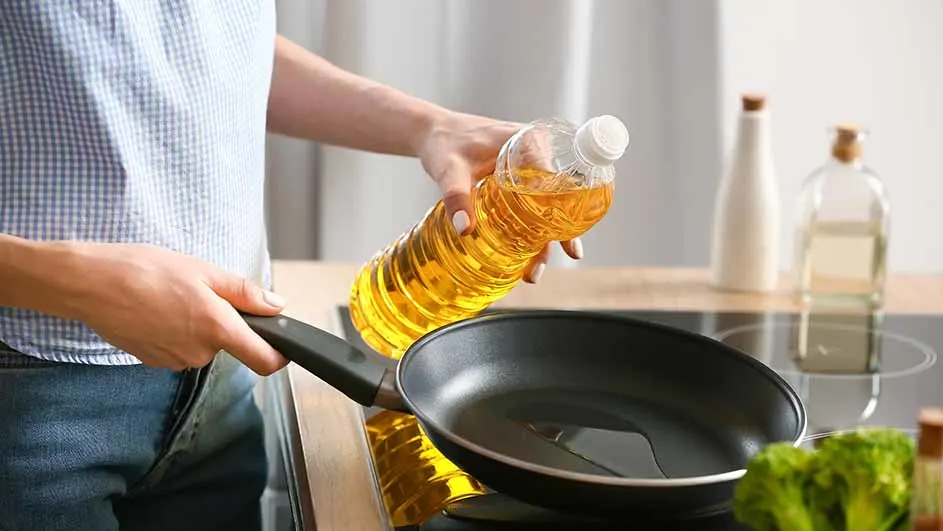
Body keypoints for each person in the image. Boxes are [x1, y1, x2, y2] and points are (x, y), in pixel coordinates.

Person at [0, 4, 584, 531]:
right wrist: (76, 282)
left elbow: (212, 51)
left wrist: (426, 124)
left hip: (221, 373)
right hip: (34, 391)